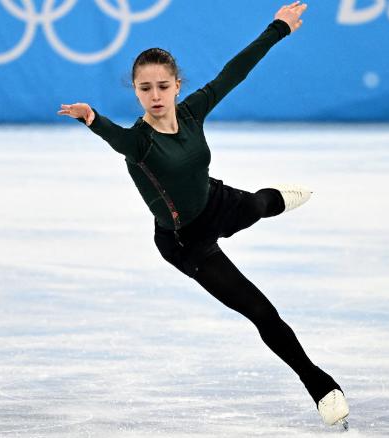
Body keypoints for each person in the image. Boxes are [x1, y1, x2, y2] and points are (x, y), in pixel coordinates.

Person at [58, 1, 349, 429]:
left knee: (256, 205)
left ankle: (274, 199)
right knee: (260, 311)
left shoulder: (193, 111)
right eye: (145, 89)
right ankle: (321, 387)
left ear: (177, 85)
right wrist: (92, 119)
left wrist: (278, 28)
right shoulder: (139, 143)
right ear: (135, 91)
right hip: (184, 241)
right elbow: (117, 139)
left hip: (215, 202)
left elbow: (236, 70)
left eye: (162, 86)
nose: (155, 96)